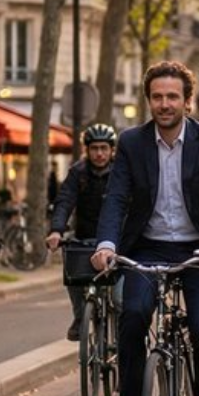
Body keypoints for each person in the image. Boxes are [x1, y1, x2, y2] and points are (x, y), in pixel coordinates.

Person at [91, 61, 199, 396]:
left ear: (187, 101)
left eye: (173, 96)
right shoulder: (132, 142)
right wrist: (106, 244)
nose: (165, 104)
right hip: (147, 247)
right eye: (157, 97)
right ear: (148, 101)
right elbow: (116, 196)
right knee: (133, 316)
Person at [46, 123, 117, 340]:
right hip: (85, 238)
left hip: (116, 241)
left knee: (121, 299)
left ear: (112, 150)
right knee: (74, 275)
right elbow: (65, 201)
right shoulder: (78, 172)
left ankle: (122, 333)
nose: (99, 153)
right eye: (94, 148)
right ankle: (80, 317)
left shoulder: (120, 171)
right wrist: (56, 230)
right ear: (87, 150)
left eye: (104, 148)